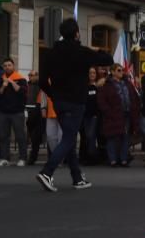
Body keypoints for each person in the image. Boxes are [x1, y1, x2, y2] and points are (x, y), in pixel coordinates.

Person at [36, 18, 114, 192]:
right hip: (76, 102)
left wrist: (53, 95)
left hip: (58, 102)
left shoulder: (50, 53)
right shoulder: (81, 52)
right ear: (77, 33)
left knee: (68, 138)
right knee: (69, 138)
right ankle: (47, 172)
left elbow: (42, 81)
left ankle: (77, 177)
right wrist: (96, 49)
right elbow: (108, 58)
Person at [98, 64, 139, 167]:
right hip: (113, 114)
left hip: (127, 114)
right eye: (119, 70)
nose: (121, 72)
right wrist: (108, 111)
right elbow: (102, 101)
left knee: (125, 137)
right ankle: (113, 160)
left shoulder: (127, 83)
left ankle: (123, 159)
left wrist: (135, 108)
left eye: (122, 70)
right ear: (112, 72)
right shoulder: (107, 85)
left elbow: (134, 96)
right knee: (112, 137)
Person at [0, 57, 28, 166]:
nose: (7, 67)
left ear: (13, 66)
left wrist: (12, 82)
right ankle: (4, 158)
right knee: (3, 136)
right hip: (2, 112)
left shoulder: (20, 78)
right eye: (5, 66)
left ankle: (23, 158)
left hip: (17, 112)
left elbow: (22, 92)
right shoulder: (1, 79)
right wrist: (3, 86)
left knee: (20, 136)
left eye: (9, 65)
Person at [79, 67, 101, 165]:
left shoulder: (98, 86)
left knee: (91, 136)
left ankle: (92, 157)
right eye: (90, 73)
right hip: (84, 115)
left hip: (94, 116)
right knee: (86, 137)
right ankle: (86, 157)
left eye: (93, 73)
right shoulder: (83, 86)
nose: (92, 74)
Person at [26, 70, 44, 165]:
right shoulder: (27, 85)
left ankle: (33, 157)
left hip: (39, 113)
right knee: (32, 137)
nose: (31, 77)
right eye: (30, 75)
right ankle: (31, 157)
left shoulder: (41, 86)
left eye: (33, 75)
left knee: (36, 137)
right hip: (29, 113)